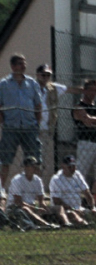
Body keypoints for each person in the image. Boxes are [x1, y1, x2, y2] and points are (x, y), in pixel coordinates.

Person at [0, 53, 44, 188]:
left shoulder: (32, 83)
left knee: (34, 160)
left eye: (24, 63)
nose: (23, 65)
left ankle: (35, 191)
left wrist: (37, 123)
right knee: (5, 160)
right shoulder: (4, 84)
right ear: (13, 66)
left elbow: (38, 105)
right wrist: (3, 122)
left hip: (29, 127)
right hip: (11, 128)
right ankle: (1, 190)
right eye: (20, 63)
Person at [35, 64, 82, 174]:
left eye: (48, 75)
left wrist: (89, 90)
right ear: (37, 75)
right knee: (30, 158)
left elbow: (71, 89)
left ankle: (37, 184)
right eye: (43, 74)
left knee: (40, 159)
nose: (46, 77)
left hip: (45, 129)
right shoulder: (31, 87)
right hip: (31, 128)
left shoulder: (53, 88)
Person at [49, 155, 96, 228]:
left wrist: (93, 208)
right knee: (72, 214)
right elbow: (56, 201)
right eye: (69, 167)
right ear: (63, 166)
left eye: (74, 166)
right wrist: (73, 209)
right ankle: (86, 226)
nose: (72, 169)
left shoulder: (77, 174)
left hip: (79, 207)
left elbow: (87, 193)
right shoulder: (56, 179)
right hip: (65, 209)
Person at [71, 79, 96, 182]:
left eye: (95, 90)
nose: (93, 93)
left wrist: (94, 121)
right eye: (91, 90)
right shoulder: (78, 106)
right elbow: (87, 121)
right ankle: (76, 195)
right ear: (84, 90)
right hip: (86, 143)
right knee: (81, 173)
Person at [6, 156, 57, 229]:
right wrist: (35, 209)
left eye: (36, 165)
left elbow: (41, 201)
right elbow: (18, 202)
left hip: (32, 206)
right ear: (26, 167)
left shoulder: (37, 180)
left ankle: (61, 223)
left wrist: (45, 208)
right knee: (25, 209)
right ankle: (46, 225)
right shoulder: (17, 180)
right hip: (14, 208)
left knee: (56, 208)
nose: (35, 167)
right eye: (32, 165)